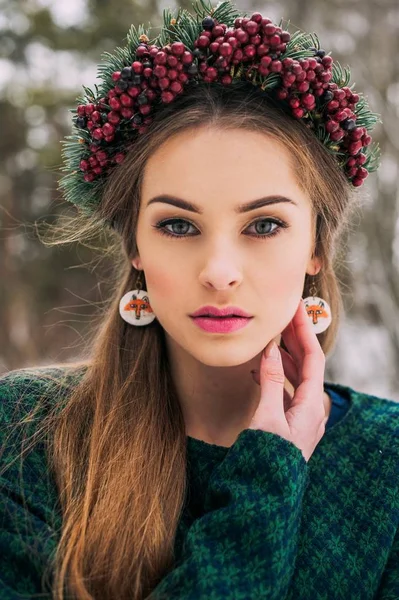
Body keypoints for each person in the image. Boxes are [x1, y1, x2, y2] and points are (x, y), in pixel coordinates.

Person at [0, 1, 398, 599]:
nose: (218, 272)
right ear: (134, 243)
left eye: (263, 226)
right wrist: (269, 480)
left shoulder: (388, 463)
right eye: (178, 226)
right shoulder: (22, 435)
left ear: (317, 247)